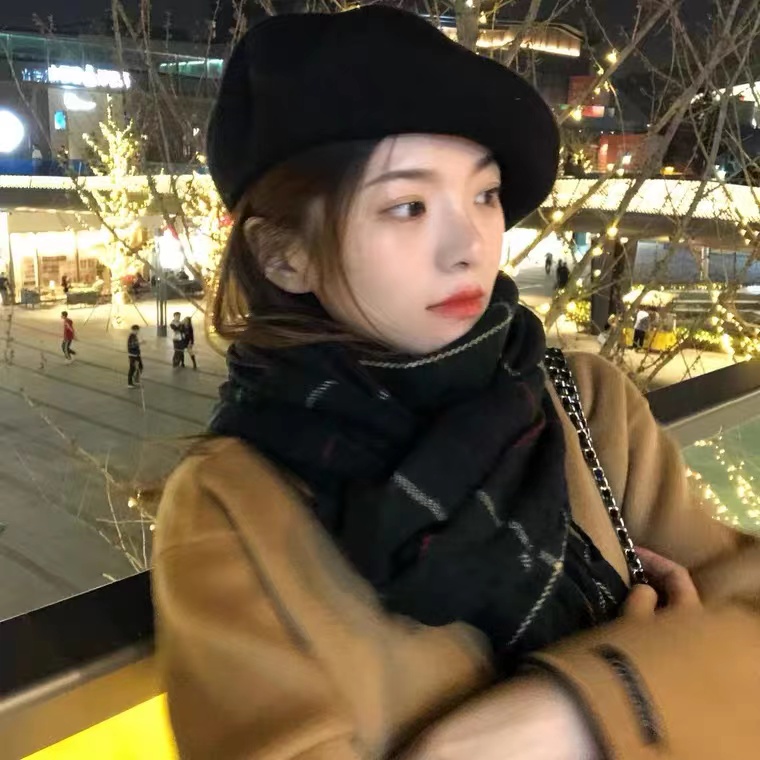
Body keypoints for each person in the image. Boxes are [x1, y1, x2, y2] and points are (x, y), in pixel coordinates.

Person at [153, 8, 760, 760]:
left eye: (484, 194)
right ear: (284, 254)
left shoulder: (584, 405)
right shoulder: (231, 508)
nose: (469, 246)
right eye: (408, 206)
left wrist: (571, 714)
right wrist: (660, 677)